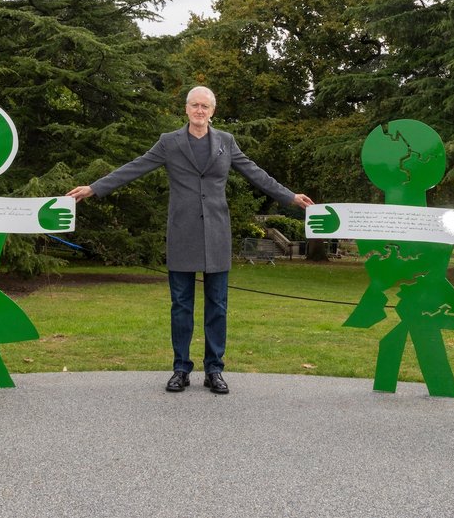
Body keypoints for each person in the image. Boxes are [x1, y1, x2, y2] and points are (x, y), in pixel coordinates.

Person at [67, 86, 313, 395]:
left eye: (205, 106)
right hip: (182, 234)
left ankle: (214, 370)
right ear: (186, 109)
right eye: (194, 105)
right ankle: (180, 368)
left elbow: (256, 173)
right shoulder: (169, 143)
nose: (199, 110)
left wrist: (290, 197)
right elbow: (135, 168)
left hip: (217, 235)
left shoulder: (226, 142)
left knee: (218, 306)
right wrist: (94, 188)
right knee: (181, 305)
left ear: (213, 110)